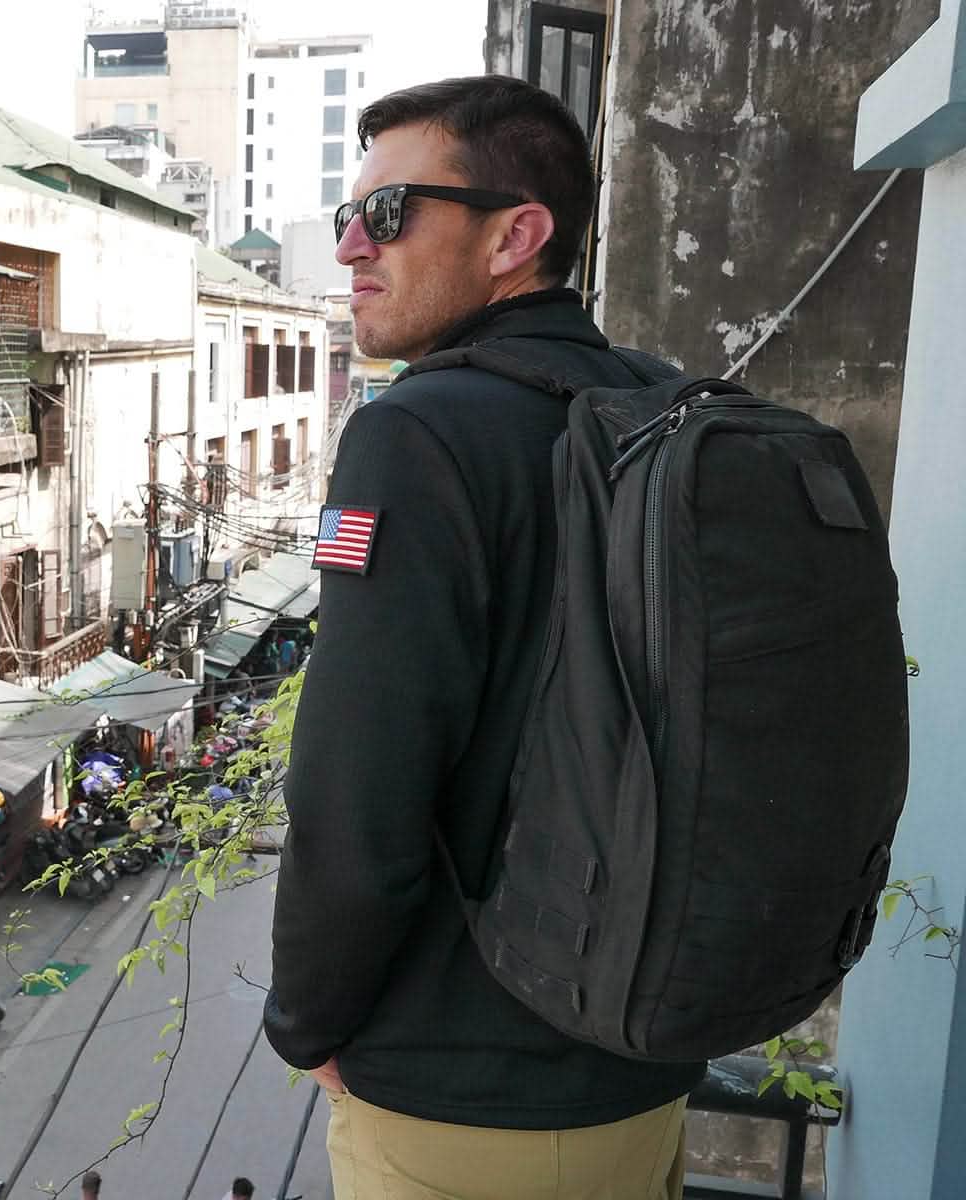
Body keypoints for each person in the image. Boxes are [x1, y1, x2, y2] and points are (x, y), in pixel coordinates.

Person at [264, 75, 706, 1200]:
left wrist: (307, 1022)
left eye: (391, 213)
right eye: (345, 219)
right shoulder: (665, 407)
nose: (354, 250)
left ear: (518, 234)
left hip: (461, 1098)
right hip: (643, 1067)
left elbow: (357, 786)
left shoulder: (416, 432)